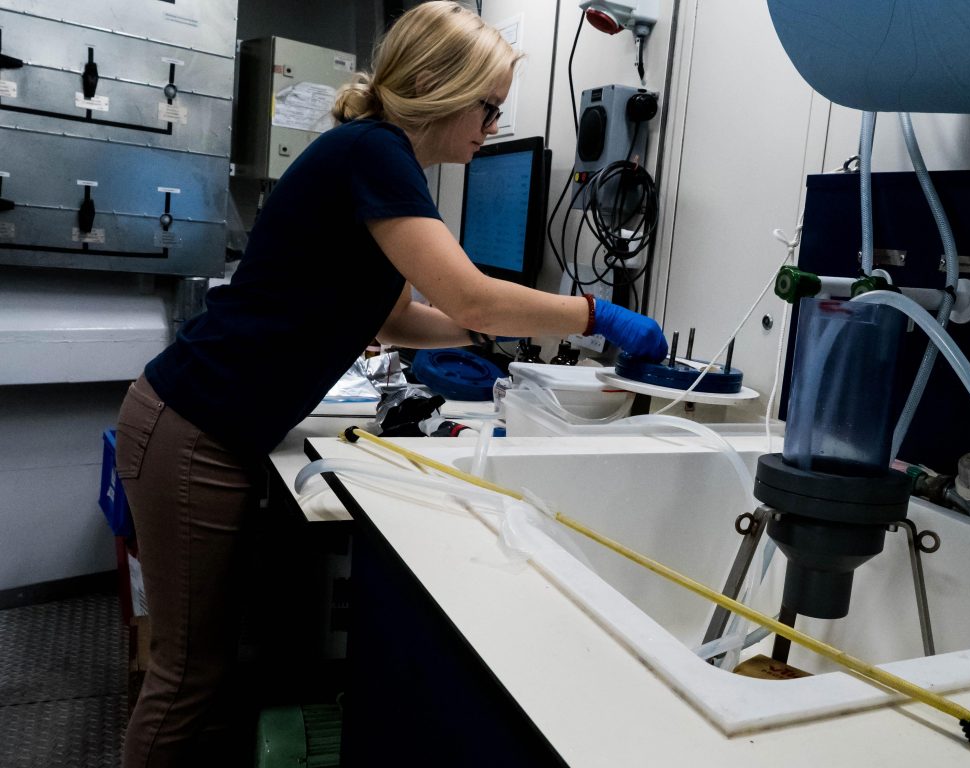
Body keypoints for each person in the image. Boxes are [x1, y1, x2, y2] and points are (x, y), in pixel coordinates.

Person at [114, 2, 667, 765]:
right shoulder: (375, 151)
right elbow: (469, 294)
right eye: (489, 106)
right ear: (442, 88)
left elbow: (399, 319)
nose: (493, 126)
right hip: (192, 428)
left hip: (209, 427)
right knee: (187, 678)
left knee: (208, 669)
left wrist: (494, 333)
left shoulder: (375, 158)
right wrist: (596, 314)